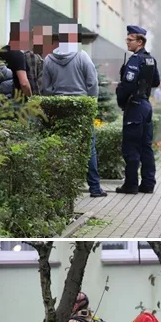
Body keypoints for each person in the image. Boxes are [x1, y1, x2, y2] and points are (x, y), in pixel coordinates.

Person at [41, 32, 106, 198]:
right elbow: (92, 83)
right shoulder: (83, 57)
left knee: (60, 145)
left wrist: (53, 106)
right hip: (81, 107)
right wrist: (91, 104)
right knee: (89, 147)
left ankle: (59, 188)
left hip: (59, 108)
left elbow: (46, 88)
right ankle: (95, 188)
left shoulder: (48, 59)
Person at [114, 25, 161, 195]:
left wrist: (121, 100)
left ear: (140, 42)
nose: (127, 42)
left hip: (134, 106)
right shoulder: (150, 59)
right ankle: (148, 184)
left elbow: (127, 85)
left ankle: (131, 184)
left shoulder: (135, 60)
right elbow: (155, 82)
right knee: (145, 146)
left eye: (130, 39)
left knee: (131, 147)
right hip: (146, 106)